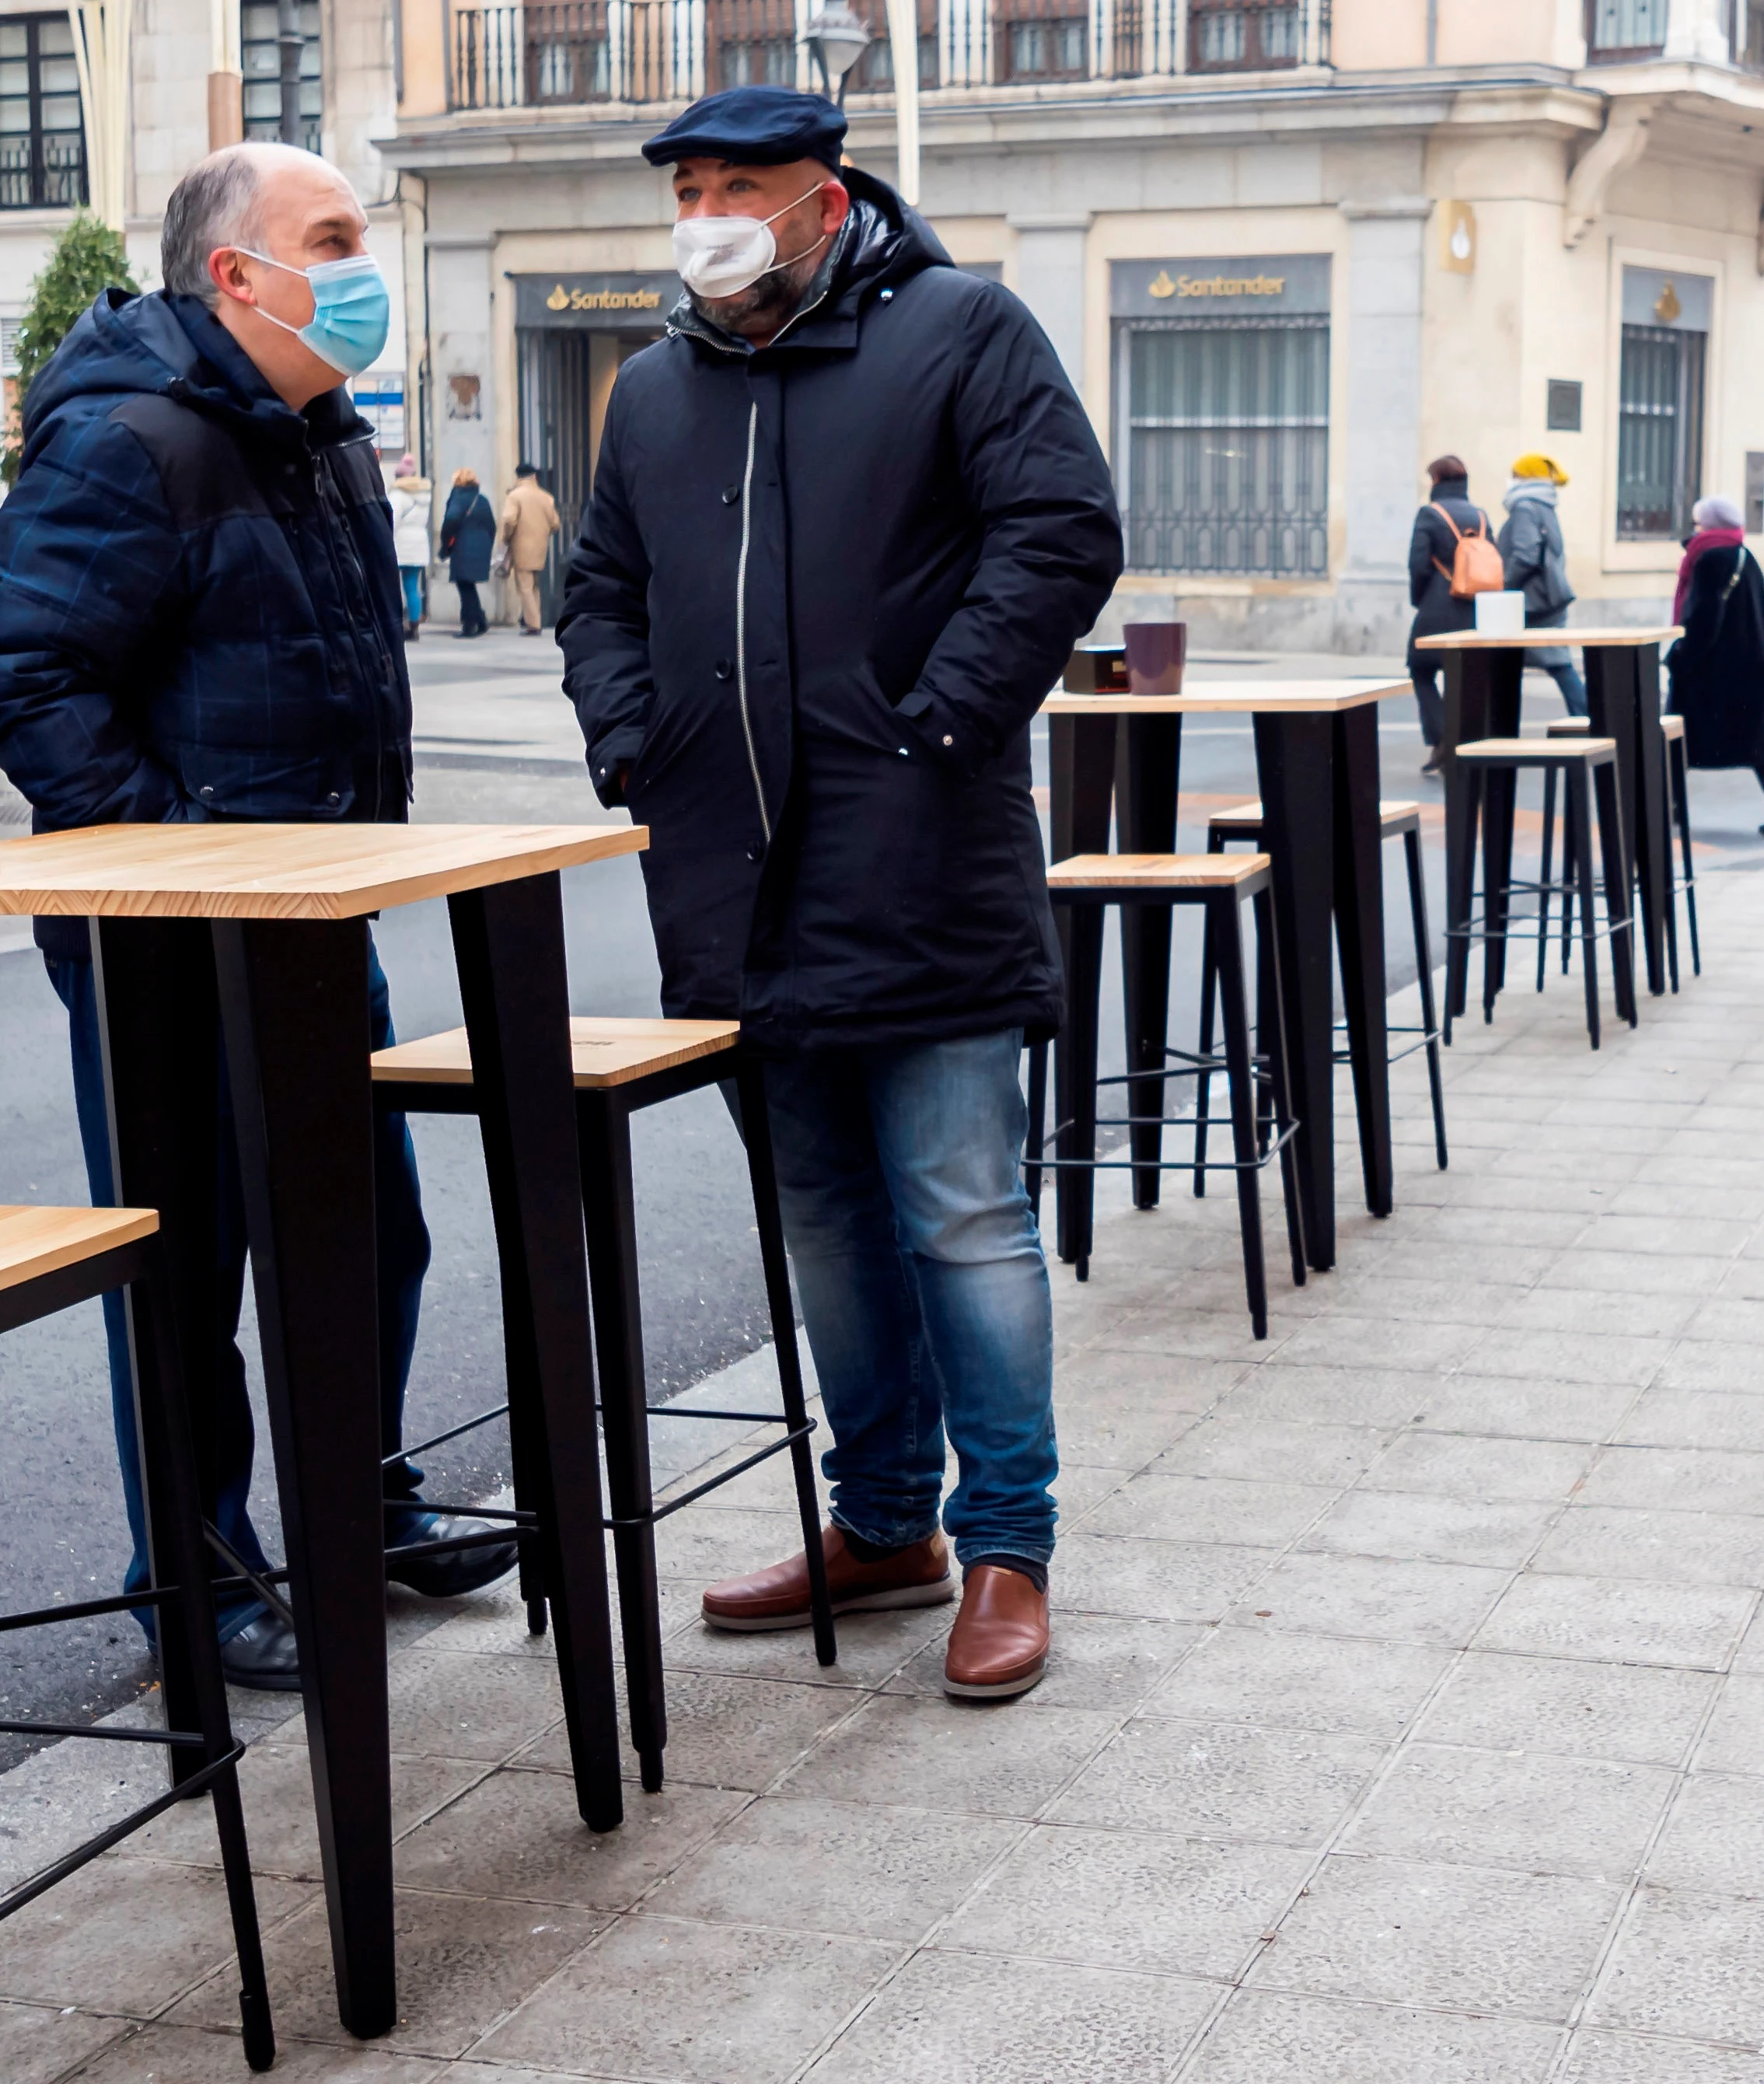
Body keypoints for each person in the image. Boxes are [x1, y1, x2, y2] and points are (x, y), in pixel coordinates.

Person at [559, 85, 1120, 1702]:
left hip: (923, 861)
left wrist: (938, 717)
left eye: (744, 182)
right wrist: (631, 740)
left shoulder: (959, 328)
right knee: (819, 1219)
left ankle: (1006, 1539)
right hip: (735, 882)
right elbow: (598, 587)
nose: (710, 211)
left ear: (825, 193)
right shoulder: (655, 391)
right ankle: (884, 1522)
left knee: (959, 1211)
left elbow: (1061, 528)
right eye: (687, 189)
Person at [0, 141, 515, 1692]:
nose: (360, 265)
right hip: (165, 936)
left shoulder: (316, 435)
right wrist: (175, 851)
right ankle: (195, 1576)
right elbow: (16, 670)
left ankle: (358, 1499)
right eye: (329, 236)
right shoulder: (129, 442)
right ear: (236, 274)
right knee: (188, 1265)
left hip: (317, 914)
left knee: (369, 1232)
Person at [1668, 495, 1764, 836]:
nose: (1695, 529)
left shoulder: (1709, 557)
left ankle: (1669, 807)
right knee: (1759, 744)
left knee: (1679, 739)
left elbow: (1704, 616)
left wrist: (1682, 656)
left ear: (1710, 525)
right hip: (1752, 665)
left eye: (1698, 523)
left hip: (1712, 669)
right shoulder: (1744, 554)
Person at [1405, 456, 1485, 765]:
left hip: (1437, 607)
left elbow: (1418, 565)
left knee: (1421, 669)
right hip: (1474, 609)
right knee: (1458, 674)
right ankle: (1453, 740)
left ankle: (1441, 737)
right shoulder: (1480, 516)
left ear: (1436, 481)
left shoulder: (1430, 514)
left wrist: (1420, 600)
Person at [1497, 453, 1585, 719]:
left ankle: (1591, 720)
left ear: (1522, 477)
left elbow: (1526, 554)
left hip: (1531, 602)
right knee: (1555, 664)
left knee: (1556, 664)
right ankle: (1589, 721)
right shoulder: (1545, 506)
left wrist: (1505, 587)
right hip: (1546, 598)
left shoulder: (1525, 507)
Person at [498, 463, 562, 635]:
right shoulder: (546, 497)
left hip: (521, 545)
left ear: (518, 477)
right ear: (534, 476)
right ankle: (534, 619)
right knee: (535, 586)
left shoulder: (515, 496)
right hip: (540, 546)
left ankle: (534, 624)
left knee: (525, 587)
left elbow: (509, 519)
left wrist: (506, 537)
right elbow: (555, 523)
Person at [440, 466, 494, 637]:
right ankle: (480, 620)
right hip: (481, 548)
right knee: (468, 585)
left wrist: (445, 545)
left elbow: (450, 520)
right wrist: (486, 545)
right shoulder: (482, 499)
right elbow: (492, 526)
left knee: (464, 585)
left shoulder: (458, 498)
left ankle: (470, 625)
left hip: (462, 548)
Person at [388, 458, 432, 638]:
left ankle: (396, 623)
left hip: (400, 544)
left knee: (392, 586)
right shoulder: (424, 495)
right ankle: (414, 627)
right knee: (412, 587)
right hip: (419, 544)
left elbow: (392, 520)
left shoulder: (398, 495)